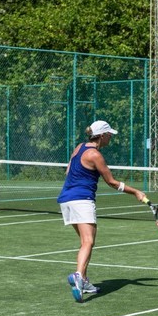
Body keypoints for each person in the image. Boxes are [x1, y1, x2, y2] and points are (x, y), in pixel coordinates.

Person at [57, 120, 146, 302]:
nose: (111, 137)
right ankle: (79, 276)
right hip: (82, 200)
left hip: (66, 200)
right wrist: (136, 192)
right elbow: (112, 182)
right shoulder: (95, 155)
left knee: (84, 242)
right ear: (102, 135)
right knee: (88, 241)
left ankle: (85, 282)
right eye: (109, 134)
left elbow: (68, 171)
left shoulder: (80, 147)